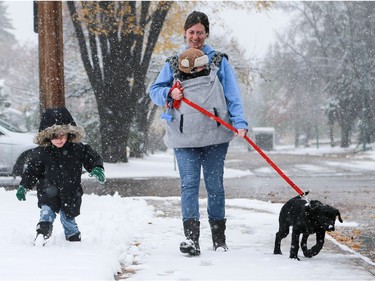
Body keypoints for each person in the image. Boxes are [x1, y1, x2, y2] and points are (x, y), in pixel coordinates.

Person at [149, 11, 248, 256]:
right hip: (184, 138)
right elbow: (154, 90)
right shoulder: (172, 63)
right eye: (191, 32)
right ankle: (191, 239)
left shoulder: (218, 61)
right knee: (189, 185)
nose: (195, 36)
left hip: (215, 135)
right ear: (185, 33)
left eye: (200, 32)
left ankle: (219, 240)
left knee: (215, 186)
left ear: (206, 34)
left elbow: (233, 95)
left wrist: (240, 123)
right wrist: (169, 94)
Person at [16, 107, 106, 246]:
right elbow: (32, 171)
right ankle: (42, 234)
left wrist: (97, 168)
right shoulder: (41, 152)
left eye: (62, 136)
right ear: (47, 136)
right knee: (46, 214)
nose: (59, 140)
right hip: (48, 191)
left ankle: (73, 240)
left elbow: (91, 158)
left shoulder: (77, 149)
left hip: (71, 192)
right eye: (55, 136)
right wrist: (24, 186)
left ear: (69, 134)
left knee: (68, 219)